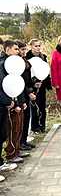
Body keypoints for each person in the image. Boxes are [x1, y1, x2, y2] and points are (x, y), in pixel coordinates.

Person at [4, 40, 29, 163]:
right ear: (7, 50)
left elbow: (19, 84)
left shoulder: (16, 63)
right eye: (15, 49)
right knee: (13, 129)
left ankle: (17, 150)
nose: (18, 51)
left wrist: (22, 101)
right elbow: (6, 86)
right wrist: (11, 103)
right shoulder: (4, 64)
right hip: (10, 103)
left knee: (19, 127)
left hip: (18, 100)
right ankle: (11, 153)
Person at [0, 40, 19, 182]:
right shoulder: (2, 64)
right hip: (2, 103)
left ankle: (0, 163)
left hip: (4, 104)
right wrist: (6, 101)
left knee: (2, 134)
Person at [26, 39, 52, 133]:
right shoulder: (27, 57)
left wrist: (46, 83)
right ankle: (34, 126)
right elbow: (28, 73)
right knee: (34, 106)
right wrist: (34, 83)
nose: (38, 48)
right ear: (31, 47)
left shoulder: (43, 57)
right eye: (35, 46)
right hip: (31, 86)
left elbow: (45, 71)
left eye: (39, 46)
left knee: (42, 106)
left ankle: (42, 125)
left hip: (42, 85)